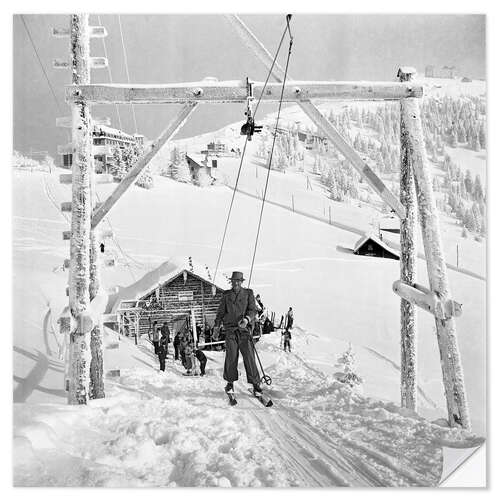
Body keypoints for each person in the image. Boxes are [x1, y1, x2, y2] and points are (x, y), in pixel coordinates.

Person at [214, 271, 262, 396]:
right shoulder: (226, 295)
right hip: (230, 331)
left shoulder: (248, 293)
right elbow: (220, 313)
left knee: (249, 357)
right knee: (231, 357)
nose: (235, 283)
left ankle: (256, 384)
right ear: (231, 282)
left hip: (245, 331)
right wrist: (216, 327)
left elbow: (253, 310)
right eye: (234, 281)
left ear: (241, 282)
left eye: (238, 281)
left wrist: (246, 319)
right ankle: (230, 383)